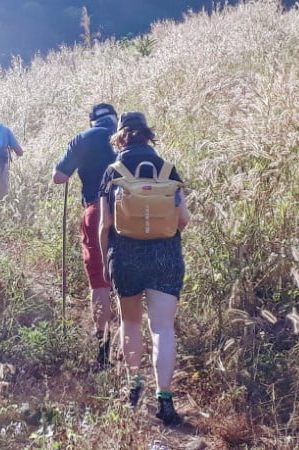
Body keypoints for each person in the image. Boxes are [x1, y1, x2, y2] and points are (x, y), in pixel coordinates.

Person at [98, 112, 191, 424]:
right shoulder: (168, 170)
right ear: (148, 135)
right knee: (163, 328)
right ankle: (165, 400)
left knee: (131, 323)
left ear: (121, 137)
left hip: (126, 257)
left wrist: (105, 260)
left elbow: (104, 225)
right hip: (166, 256)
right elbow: (184, 220)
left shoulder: (113, 171)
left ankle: (132, 388)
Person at [52, 103, 118, 369]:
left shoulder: (84, 138)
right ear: (115, 119)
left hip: (96, 212)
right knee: (126, 280)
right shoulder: (127, 136)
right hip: (134, 212)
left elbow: (59, 177)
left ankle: (103, 347)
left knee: (99, 281)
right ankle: (130, 343)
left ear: (92, 122)